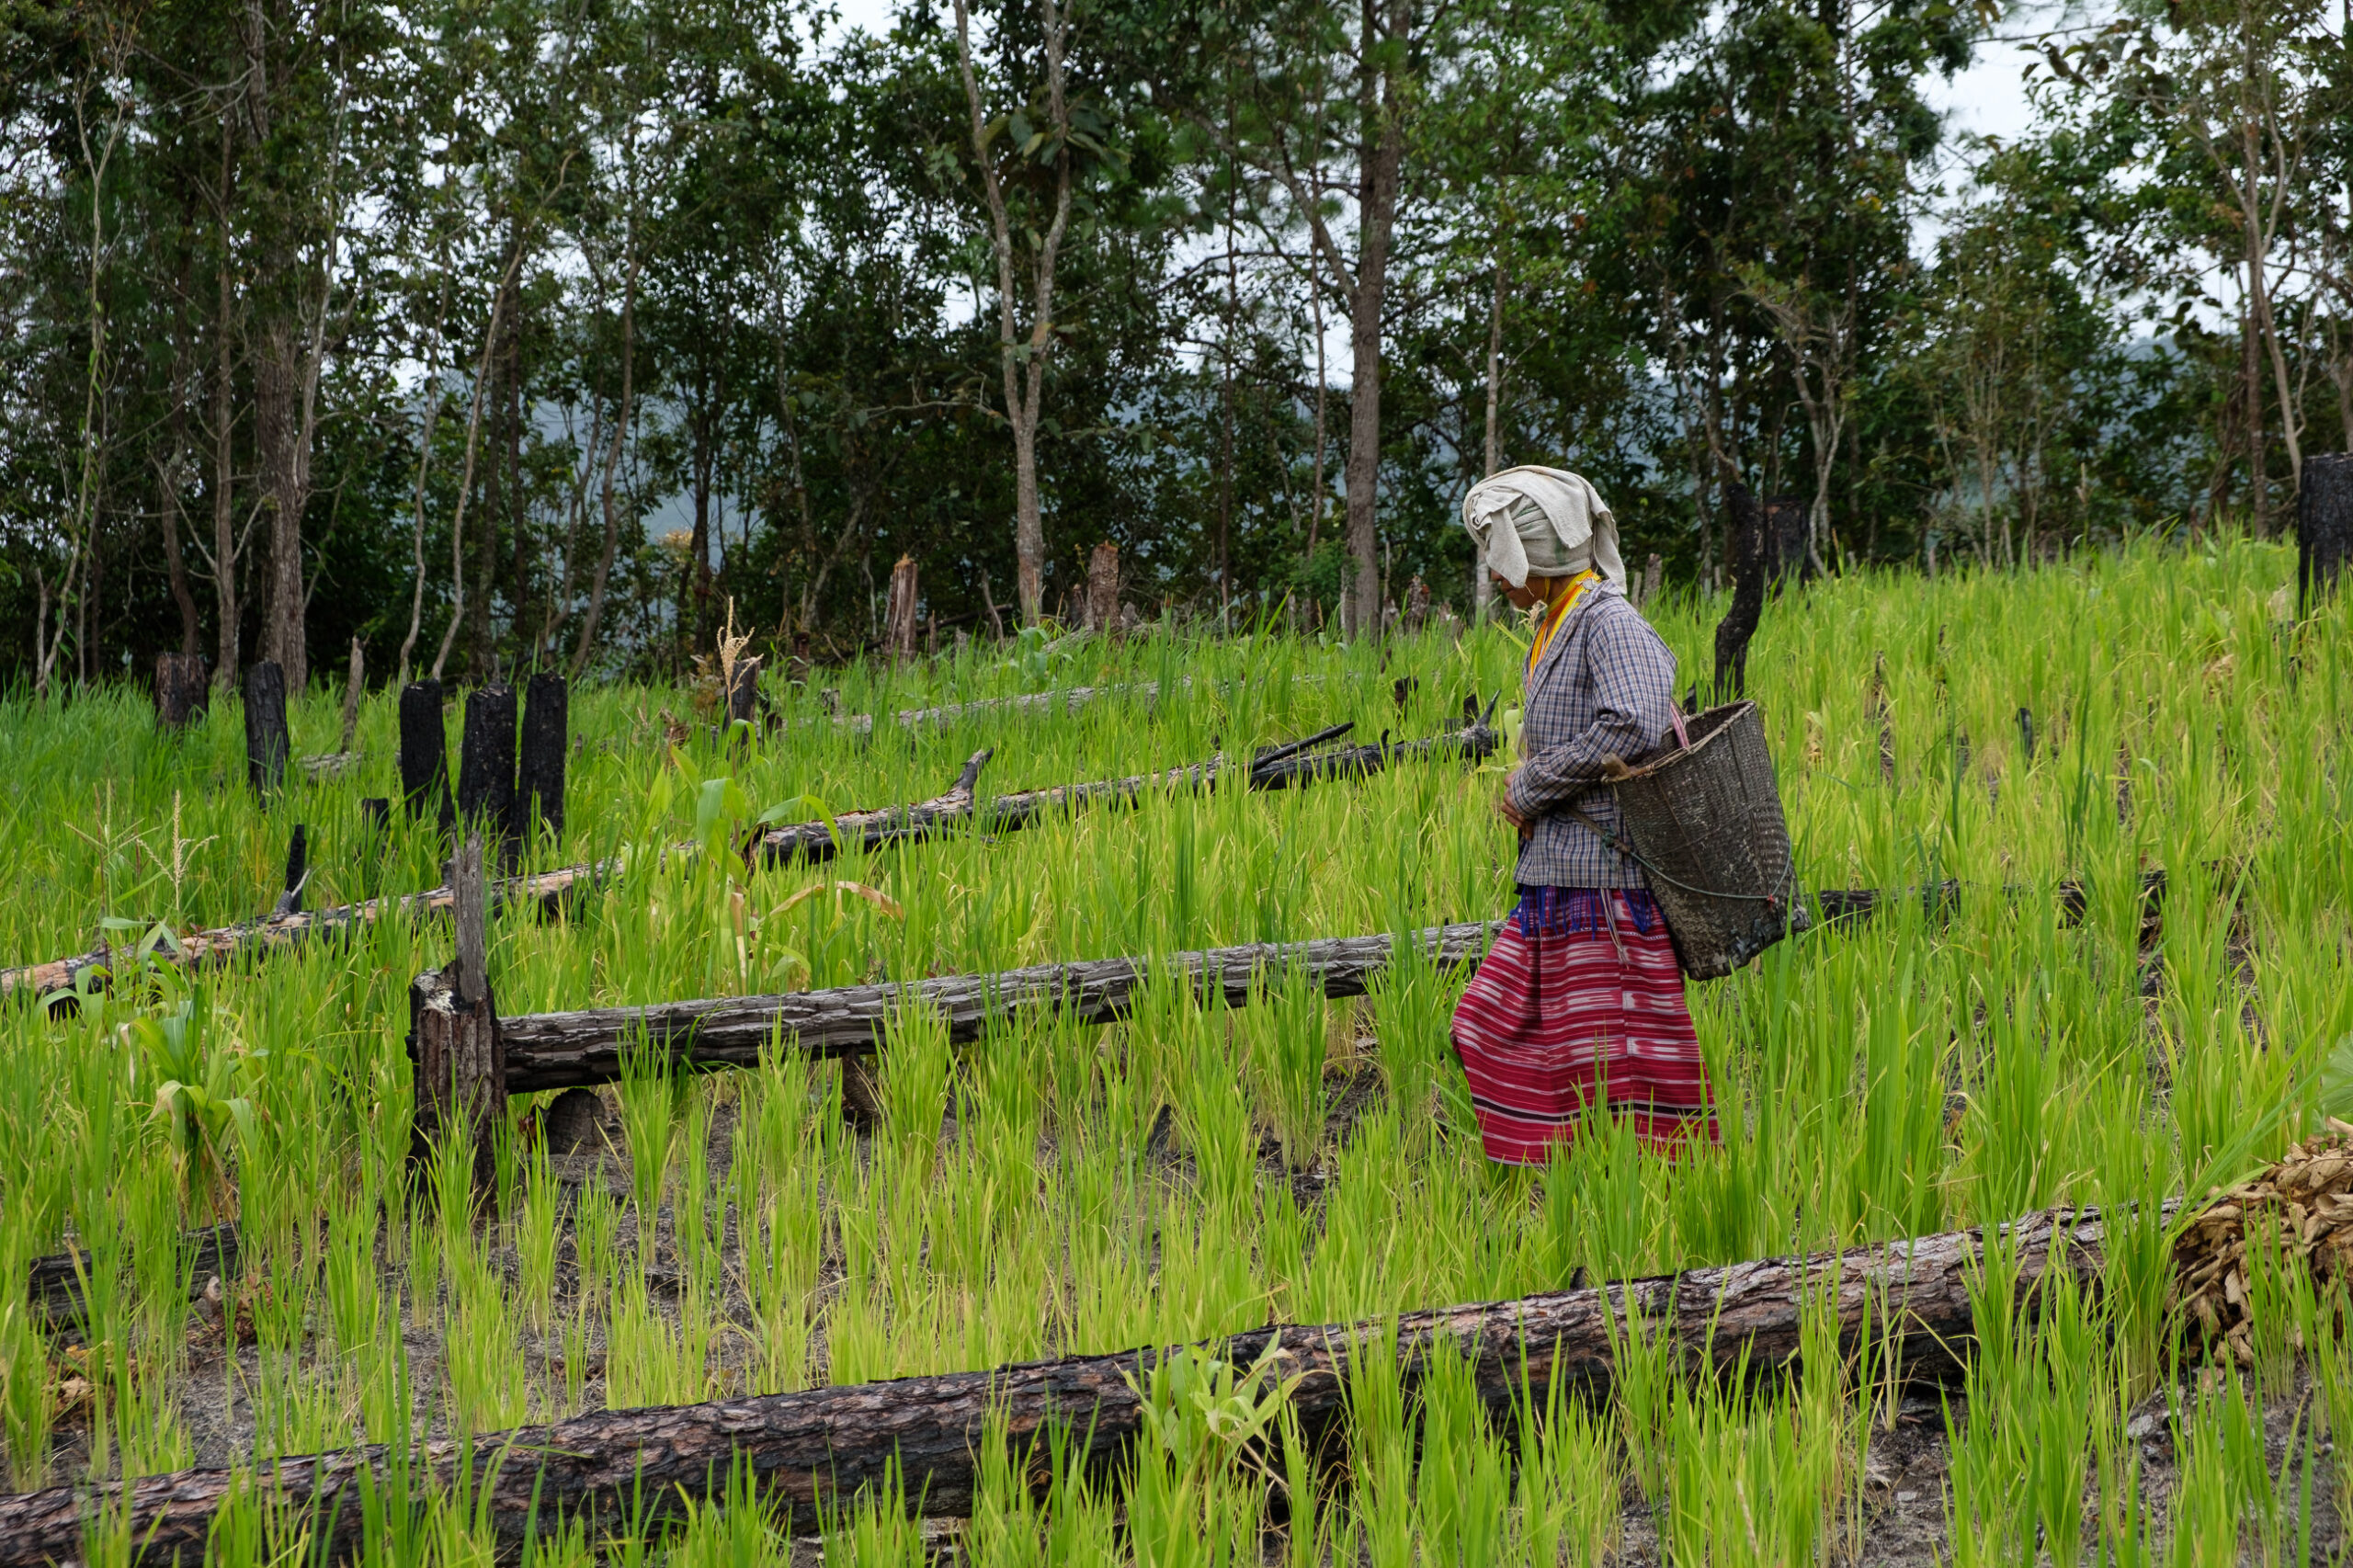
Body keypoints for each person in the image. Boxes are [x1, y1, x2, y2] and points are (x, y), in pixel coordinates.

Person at [1448, 466, 1719, 1165]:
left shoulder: (1608, 621)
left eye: (1497, 554)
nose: (1494, 573)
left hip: (1606, 887)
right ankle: (1567, 1178)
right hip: (1561, 883)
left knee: (1618, 1070)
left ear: (1531, 553)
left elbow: (1632, 722)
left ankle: (1647, 1196)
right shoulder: (1559, 620)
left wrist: (1531, 784)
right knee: (1487, 1024)